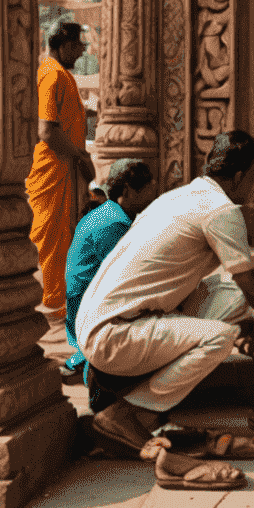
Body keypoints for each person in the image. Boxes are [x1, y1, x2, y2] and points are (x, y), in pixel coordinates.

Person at [76, 129, 254, 485]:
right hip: (114, 335)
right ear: (240, 177)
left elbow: (245, 289)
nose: (253, 186)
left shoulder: (179, 196)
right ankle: (131, 411)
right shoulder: (221, 210)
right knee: (220, 336)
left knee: (235, 294)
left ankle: (145, 405)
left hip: (107, 322)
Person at [61, 159, 157, 377]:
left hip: (88, 301)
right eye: (147, 192)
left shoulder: (112, 214)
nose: (151, 198)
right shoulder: (113, 223)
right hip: (89, 309)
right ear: (128, 191)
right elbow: (125, 276)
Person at [26, 20, 94, 326]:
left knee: (64, 232)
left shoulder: (61, 74)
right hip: (53, 167)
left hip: (64, 167)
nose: (81, 52)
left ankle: (59, 300)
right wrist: (79, 156)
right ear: (65, 45)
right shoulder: (52, 74)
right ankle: (50, 303)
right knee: (50, 232)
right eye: (79, 46)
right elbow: (47, 130)